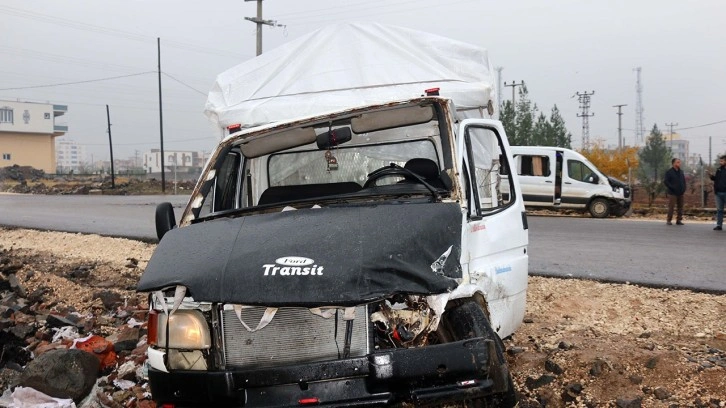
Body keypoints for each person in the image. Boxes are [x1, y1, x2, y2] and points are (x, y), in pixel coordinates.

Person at [663, 158, 686, 225]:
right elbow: (666, 181)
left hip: (680, 192)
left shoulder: (681, 172)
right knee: (671, 207)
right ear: (673, 163)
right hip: (672, 193)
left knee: (680, 207)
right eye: (677, 162)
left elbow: (683, 181)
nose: (679, 163)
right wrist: (672, 187)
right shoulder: (669, 172)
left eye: (679, 162)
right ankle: (669, 220)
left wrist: (684, 188)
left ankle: (679, 220)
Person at [707, 155, 726, 231]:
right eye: (720, 161)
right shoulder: (719, 170)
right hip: (718, 193)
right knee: (719, 210)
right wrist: (711, 176)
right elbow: (716, 179)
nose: (720, 162)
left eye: (722, 161)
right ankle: (719, 225)